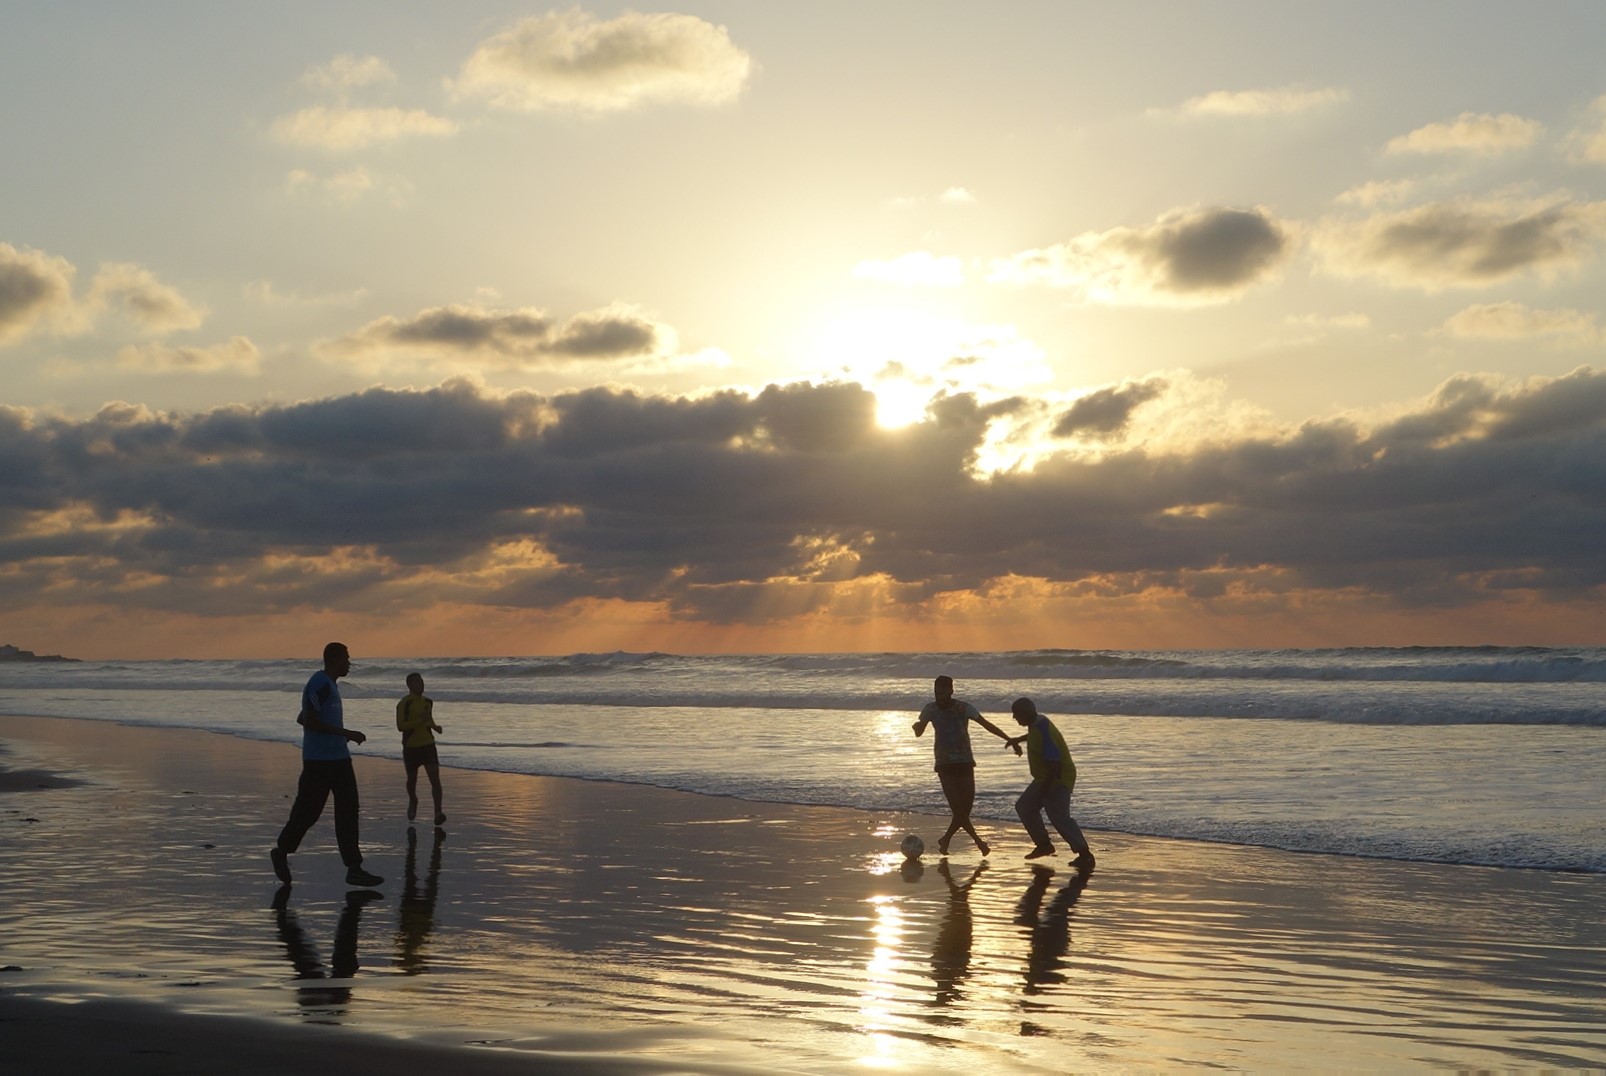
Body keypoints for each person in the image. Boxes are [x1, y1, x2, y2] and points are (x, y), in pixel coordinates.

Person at [270, 642, 384, 888]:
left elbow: (304, 715)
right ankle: (281, 851)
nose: (350, 663)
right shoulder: (320, 684)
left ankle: (354, 868)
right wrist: (346, 733)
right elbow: (308, 719)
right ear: (335, 660)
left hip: (339, 759)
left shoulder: (330, 685)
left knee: (348, 811)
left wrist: (341, 737)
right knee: (308, 813)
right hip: (319, 761)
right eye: (346, 658)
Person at [912, 675, 1015, 856]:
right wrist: (917, 728)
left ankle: (945, 840)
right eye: (936, 691)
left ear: (951, 690)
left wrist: (1009, 739)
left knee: (964, 811)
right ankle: (978, 842)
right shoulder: (929, 709)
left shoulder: (963, 708)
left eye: (943, 691)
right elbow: (919, 732)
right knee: (958, 810)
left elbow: (986, 725)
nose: (939, 695)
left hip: (965, 762)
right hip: (944, 764)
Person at [1004, 697, 1094, 867]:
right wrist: (1017, 740)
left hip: (1058, 778)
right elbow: (1033, 735)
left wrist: (1045, 790)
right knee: (1024, 807)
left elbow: (1054, 764)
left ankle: (1085, 854)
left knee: (1060, 817)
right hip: (1045, 778)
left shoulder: (1042, 729)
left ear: (1026, 713)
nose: (1014, 718)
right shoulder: (1038, 722)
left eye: (1016, 714)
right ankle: (1044, 845)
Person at [396, 672, 446, 826]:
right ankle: (413, 799)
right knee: (412, 780)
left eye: (422, 681)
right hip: (411, 747)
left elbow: (428, 720)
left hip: (428, 745)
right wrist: (420, 721)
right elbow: (401, 726)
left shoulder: (428, 702)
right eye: (418, 682)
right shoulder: (404, 703)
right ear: (410, 685)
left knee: (435, 780)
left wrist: (435, 727)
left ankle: (438, 812)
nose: (421, 684)